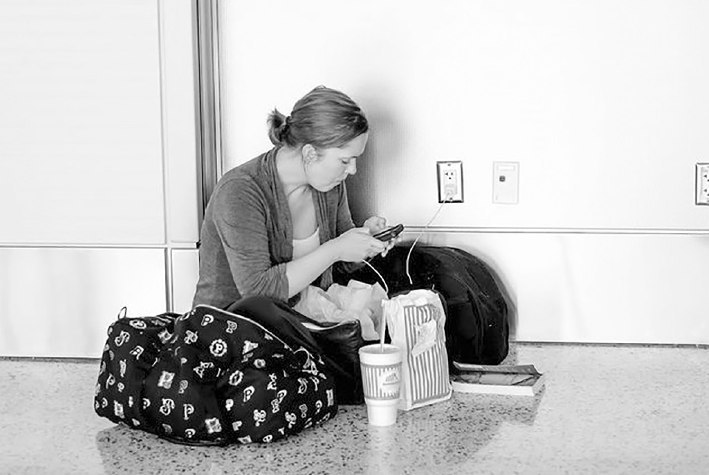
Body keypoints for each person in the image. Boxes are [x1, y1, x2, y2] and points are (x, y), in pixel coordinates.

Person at [192, 85, 397, 311]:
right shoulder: (240, 191)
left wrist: (366, 240)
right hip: (232, 327)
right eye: (345, 160)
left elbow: (339, 265)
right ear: (309, 153)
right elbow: (258, 291)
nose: (353, 170)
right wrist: (336, 248)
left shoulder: (330, 185)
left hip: (298, 324)